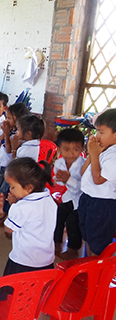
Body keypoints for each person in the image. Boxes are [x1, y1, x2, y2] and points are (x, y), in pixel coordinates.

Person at [3, 158, 56, 274]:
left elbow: (9, 229)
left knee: (14, 291)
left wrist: (13, 206)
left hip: (23, 262)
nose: (10, 190)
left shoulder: (21, 207)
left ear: (29, 188)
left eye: (13, 187)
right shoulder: (49, 199)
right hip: (46, 261)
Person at [79, 108, 116, 256]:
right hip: (89, 198)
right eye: (96, 131)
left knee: (97, 242)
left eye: (101, 132)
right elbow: (83, 173)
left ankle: (96, 272)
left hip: (103, 204)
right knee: (88, 236)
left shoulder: (113, 155)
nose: (96, 136)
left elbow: (98, 180)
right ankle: (89, 265)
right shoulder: (104, 150)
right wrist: (91, 155)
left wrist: (94, 155)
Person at [0, 103, 30, 223]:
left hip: (11, 167)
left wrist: (6, 134)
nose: (7, 120)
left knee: (10, 192)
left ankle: (10, 215)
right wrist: (5, 133)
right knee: (4, 192)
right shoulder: (11, 131)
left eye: (9, 118)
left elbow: (9, 149)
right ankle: (5, 213)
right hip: (4, 165)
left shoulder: (18, 135)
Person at [53, 128, 85, 259]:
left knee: (73, 223)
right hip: (67, 198)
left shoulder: (84, 165)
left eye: (75, 149)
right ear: (59, 149)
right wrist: (61, 179)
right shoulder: (59, 162)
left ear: (82, 149)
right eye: (66, 149)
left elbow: (82, 187)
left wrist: (68, 179)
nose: (71, 153)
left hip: (79, 200)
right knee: (58, 219)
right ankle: (56, 243)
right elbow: (59, 183)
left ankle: (73, 249)